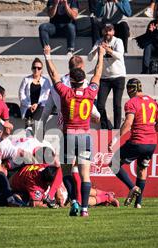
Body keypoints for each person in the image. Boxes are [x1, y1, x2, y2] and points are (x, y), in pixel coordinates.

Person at [44, 44, 104, 217]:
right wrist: (100, 55)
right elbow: (98, 74)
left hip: (68, 136)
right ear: (83, 78)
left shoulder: (65, 93)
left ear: (70, 80)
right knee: (85, 175)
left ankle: (75, 201)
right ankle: (84, 209)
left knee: (66, 171)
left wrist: (47, 55)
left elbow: (53, 75)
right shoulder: (90, 92)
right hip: (85, 136)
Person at [109, 78, 158, 209]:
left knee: (114, 164)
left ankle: (132, 187)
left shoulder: (131, 102)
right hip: (151, 143)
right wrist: (149, 132)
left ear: (130, 89)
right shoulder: (152, 101)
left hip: (137, 141)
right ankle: (138, 203)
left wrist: (115, 139)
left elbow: (128, 123)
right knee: (142, 169)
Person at [88, 23, 126, 130]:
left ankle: (117, 128)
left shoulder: (118, 41)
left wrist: (108, 50)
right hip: (104, 78)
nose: (107, 33)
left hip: (118, 76)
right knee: (100, 105)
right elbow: (89, 58)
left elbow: (119, 55)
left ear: (113, 32)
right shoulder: (99, 41)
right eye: (105, 30)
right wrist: (97, 50)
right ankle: (106, 126)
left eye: (110, 30)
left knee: (117, 105)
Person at [18, 58, 52, 129]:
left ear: (41, 70)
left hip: (40, 106)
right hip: (28, 106)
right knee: (29, 125)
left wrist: (37, 104)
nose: (36, 70)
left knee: (38, 116)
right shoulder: (26, 80)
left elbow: (47, 96)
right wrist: (29, 105)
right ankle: (30, 136)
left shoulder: (46, 81)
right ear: (31, 68)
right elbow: (21, 94)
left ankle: (37, 137)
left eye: (39, 68)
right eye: (34, 67)